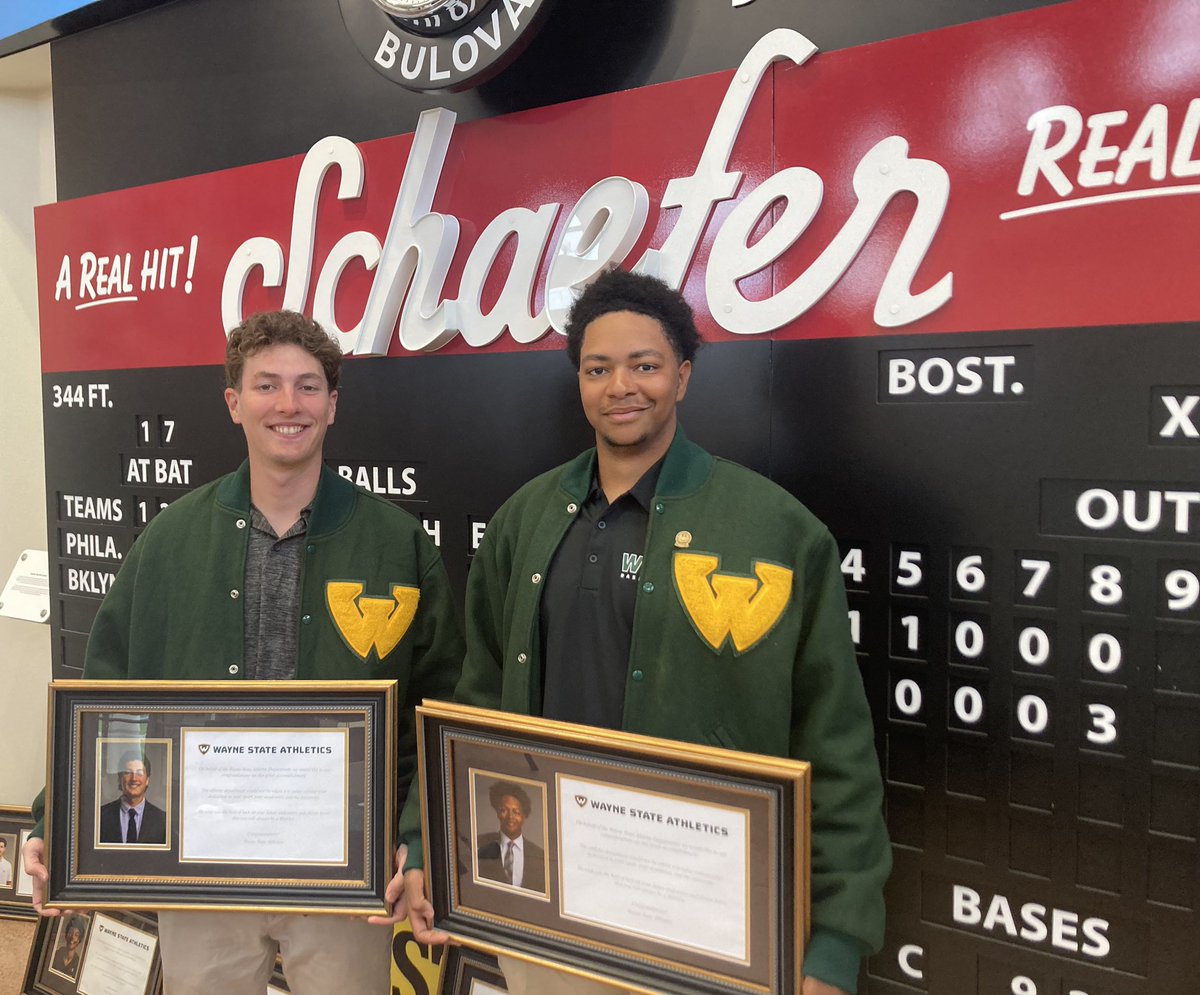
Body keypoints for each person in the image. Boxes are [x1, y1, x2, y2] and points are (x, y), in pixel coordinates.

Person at [403, 269, 890, 995]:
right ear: (579, 382)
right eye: (598, 369)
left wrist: (836, 942)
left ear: (684, 376)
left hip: (709, 914)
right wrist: (427, 845)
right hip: (548, 902)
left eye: (645, 365)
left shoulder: (777, 530)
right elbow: (472, 705)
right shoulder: (522, 521)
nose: (621, 386)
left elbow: (836, 742)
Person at [24, 310, 464, 995]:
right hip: (203, 861)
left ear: (333, 402)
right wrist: (59, 816)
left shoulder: (397, 543)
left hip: (345, 865)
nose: (288, 405)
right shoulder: (168, 541)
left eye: (308, 386)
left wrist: (419, 835)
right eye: (266, 385)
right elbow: (105, 690)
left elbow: (439, 706)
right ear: (233, 403)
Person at [475, 781, 545, 892]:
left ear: (523, 816)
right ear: (498, 813)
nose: (510, 817)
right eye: (504, 810)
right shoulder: (478, 846)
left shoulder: (540, 855)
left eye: (516, 812)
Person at [98, 751, 167, 844]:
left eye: (139, 773)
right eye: (128, 772)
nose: (134, 778)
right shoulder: (100, 816)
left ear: (147, 780)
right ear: (120, 778)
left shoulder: (163, 821)